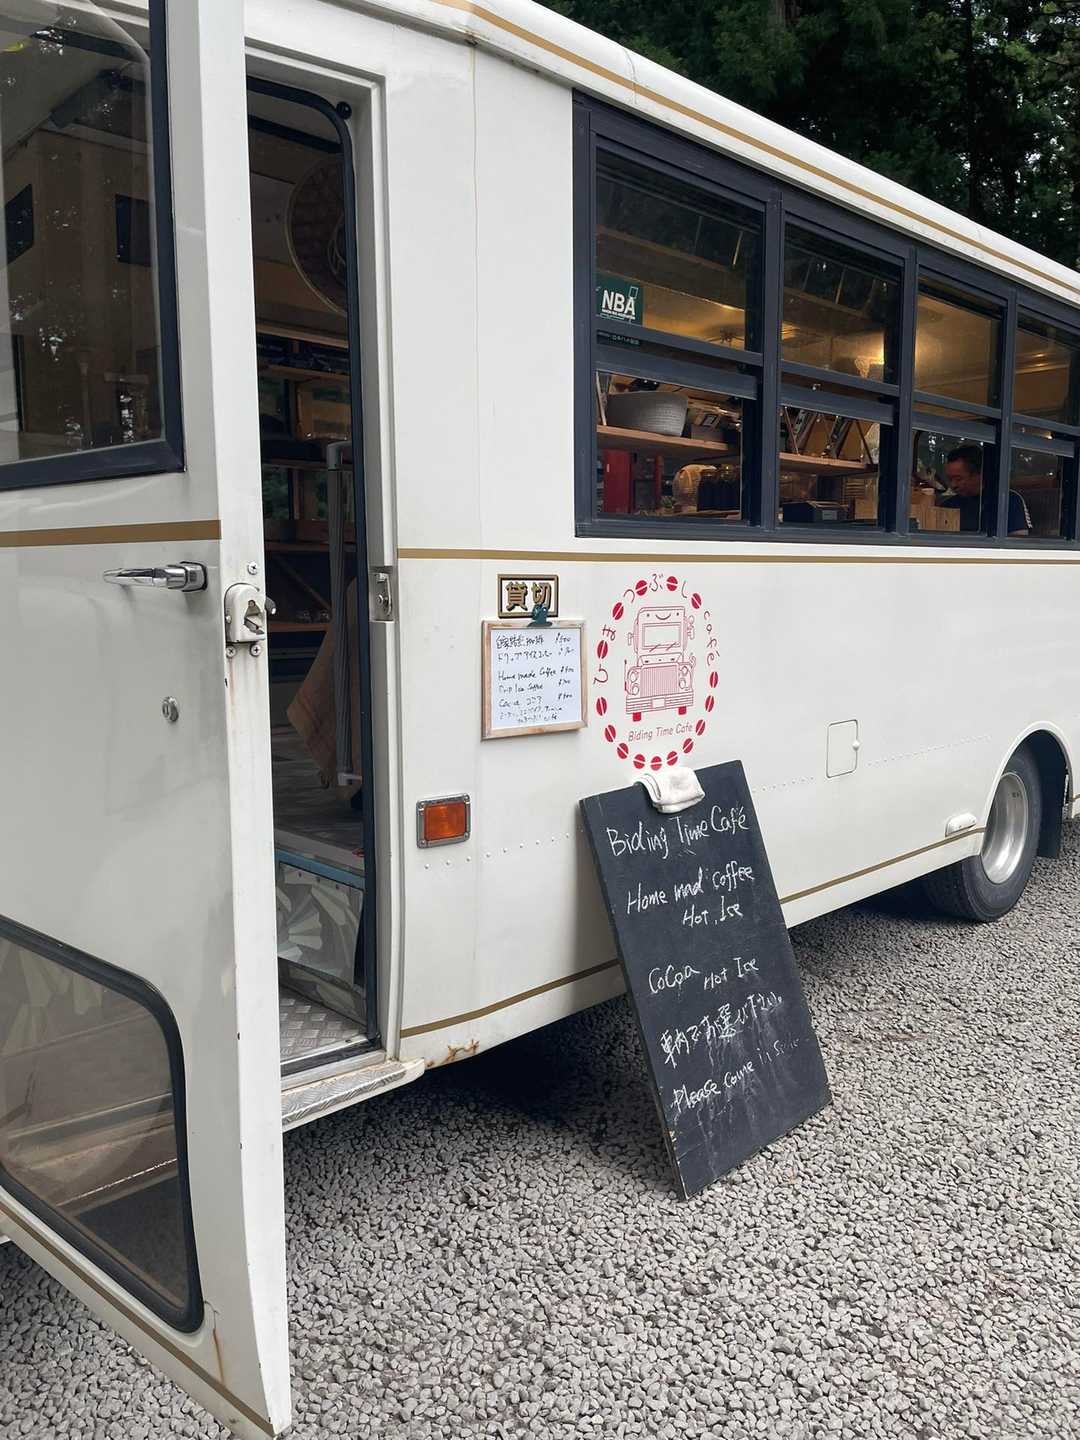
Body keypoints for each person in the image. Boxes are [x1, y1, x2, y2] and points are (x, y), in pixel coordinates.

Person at [940, 444, 1031, 537]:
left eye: (958, 479)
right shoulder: (948, 505)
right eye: (949, 479)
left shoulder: (1008, 500)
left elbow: (1019, 541)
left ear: (979, 475)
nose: (953, 485)